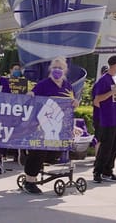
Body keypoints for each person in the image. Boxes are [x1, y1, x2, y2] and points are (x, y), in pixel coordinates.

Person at [23, 56, 79, 194]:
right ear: (50, 69)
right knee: (39, 151)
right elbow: (32, 94)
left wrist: (75, 104)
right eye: (55, 67)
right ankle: (29, 180)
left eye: (60, 68)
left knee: (54, 154)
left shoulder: (68, 86)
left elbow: (70, 107)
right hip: (42, 124)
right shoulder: (43, 84)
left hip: (59, 127)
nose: (57, 70)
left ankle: (30, 165)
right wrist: (29, 94)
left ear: (65, 70)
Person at [92, 55, 116, 183]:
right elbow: (97, 100)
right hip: (108, 119)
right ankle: (97, 172)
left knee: (114, 148)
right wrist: (111, 93)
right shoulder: (103, 80)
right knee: (106, 147)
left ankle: (108, 171)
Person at [91, 65, 109, 158]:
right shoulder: (98, 85)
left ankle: (101, 157)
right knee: (99, 138)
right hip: (99, 116)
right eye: (104, 72)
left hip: (107, 117)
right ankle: (97, 158)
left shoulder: (110, 85)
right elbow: (95, 102)